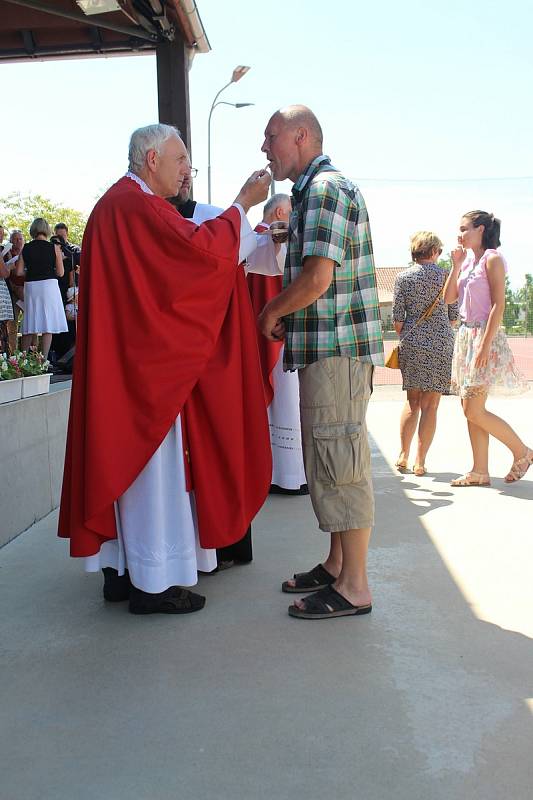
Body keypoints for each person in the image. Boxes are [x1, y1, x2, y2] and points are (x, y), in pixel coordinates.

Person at [58, 123, 272, 615]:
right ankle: (153, 583)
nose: (186, 173)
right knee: (153, 471)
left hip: (127, 365)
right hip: (147, 374)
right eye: (181, 162)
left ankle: (123, 570)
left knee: (129, 471)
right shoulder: (135, 206)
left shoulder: (120, 204)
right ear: (151, 159)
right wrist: (243, 203)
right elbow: (198, 256)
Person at [259, 105, 384, 620]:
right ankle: (337, 565)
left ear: (301, 136)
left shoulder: (328, 189)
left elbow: (317, 280)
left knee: (342, 464)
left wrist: (271, 309)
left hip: (337, 353)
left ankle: (355, 585)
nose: (265, 148)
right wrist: (293, 317)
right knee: (329, 461)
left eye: (271, 137)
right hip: (327, 347)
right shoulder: (313, 192)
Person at [169, 164, 284, 569]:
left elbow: (260, 257)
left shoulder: (211, 216)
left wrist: (277, 237)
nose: (185, 179)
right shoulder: (144, 215)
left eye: (189, 171)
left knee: (219, 445)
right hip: (166, 361)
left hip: (214, 355)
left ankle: (220, 544)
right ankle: (178, 553)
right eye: (177, 169)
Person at [444, 210, 531, 485]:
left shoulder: (493, 259)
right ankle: (479, 471)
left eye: (464, 228)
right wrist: (456, 265)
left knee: (474, 409)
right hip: (466, 336)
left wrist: (484, 345)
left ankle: (522, 451)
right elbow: (448, 297)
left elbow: (498, 305)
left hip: (484, 337)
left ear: (480, 229)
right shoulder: (468, 261)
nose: (459, 234)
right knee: (468, 406)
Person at [247, 194, 307, 495]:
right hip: (277, 336)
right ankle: (289, 476)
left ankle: (271, 474)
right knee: (286, 406)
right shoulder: (270, 241)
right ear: (281, 212)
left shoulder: (247, 241)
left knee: (272, 408)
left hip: (253, 339)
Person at [392, 231, 459, 476]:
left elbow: (398, 321)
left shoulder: (403, 278)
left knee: (412, 402)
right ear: (433, 252)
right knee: (431, 405)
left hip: (413, 344)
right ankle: (420, 462)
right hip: (441, 344)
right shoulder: (446, 277)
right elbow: (453, 318)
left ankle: (403, 454)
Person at [15, 218, 68, 359]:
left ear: (33, 230)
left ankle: (23, 359)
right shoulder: (54, 248)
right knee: (48, 322)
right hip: (49, 285)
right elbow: (61, 273)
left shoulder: (26, 247)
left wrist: (32, 271)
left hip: (32, 285)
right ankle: (43, 359)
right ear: (47, 230)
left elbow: (19, 272)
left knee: (30, 320)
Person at [4, 229, 25, 353]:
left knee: (30, 325)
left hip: (27, 293)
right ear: (11, 241)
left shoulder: (27, 253)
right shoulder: (7, 253)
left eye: (20, 239)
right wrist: (16, 289)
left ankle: (31, 353)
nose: (18, 241)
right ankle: (12, 354)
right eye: (15, 239)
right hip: (13, 294)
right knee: (12, 326)